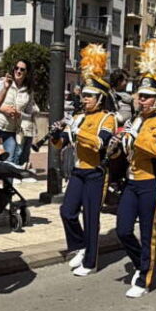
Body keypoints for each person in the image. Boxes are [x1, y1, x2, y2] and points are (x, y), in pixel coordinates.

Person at [115, 39, 156, 298]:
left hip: (150, 183)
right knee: (122, 229)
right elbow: (125, 150)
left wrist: (138, 137)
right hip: (131, 181)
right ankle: (141, 262)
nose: (142, 100)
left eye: (148, 96)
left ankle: (144, 278)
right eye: (140, 95)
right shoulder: (135, 119)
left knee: (147, 232)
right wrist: (117, 144)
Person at [56, 45, 117, 277]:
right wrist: (56, 134)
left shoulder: (107, 119)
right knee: (67, 211)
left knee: (91, 218)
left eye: (90, 96)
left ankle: (91, 262)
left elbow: (100, 143)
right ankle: (80, 246)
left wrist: (78, 130)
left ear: (100, 98)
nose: (85, 99)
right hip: (78, 171)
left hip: (95, 172)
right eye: (84, 95)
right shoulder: (79, 117)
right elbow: (61, 144)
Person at [0, 59, 34, 165]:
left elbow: (30, 114)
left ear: (27, 72)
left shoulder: (29, 90)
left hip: (11, 130)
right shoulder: (3, 82)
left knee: (10, 161)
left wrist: (19, 114)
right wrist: (3, 109)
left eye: (22, 69)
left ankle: (8, 177)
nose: (18, 71)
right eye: (16, 68)